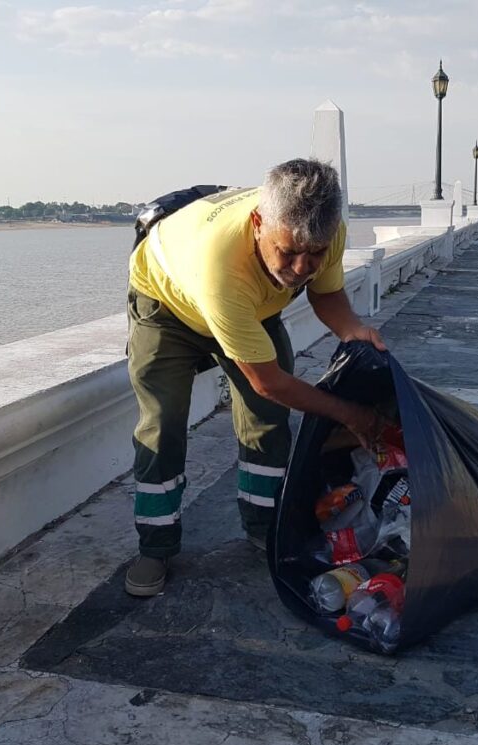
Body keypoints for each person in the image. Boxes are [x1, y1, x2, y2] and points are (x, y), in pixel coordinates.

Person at [124, 158, 385, 596]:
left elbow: (328, 295)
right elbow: (271, 381)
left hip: (252, 308)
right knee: (163, 424)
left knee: (267, 420)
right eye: (289, 252)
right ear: (259, 223)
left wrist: (353, 331)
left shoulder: (325, 230)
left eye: (315, 253)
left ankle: (265, 527)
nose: (302, 267)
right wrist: (354, 416)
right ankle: (156, 546)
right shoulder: (219, 264)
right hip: (167, 308)